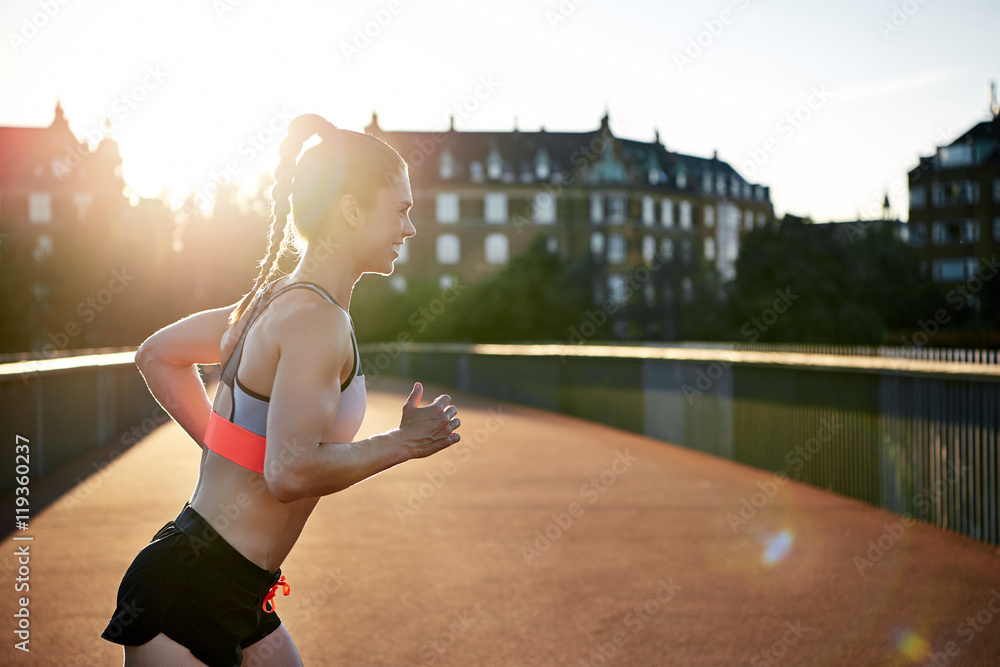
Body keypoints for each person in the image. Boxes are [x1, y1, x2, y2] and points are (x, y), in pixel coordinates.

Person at [101, 113, 461, 666]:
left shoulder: (273, 299)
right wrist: (402, 443)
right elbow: (290, 474)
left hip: (233, 586)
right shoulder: (315, 318)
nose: (410, 228)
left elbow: (158, 356)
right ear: (350, 210)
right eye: (401, 210)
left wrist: (231, 446)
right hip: (195, 588)